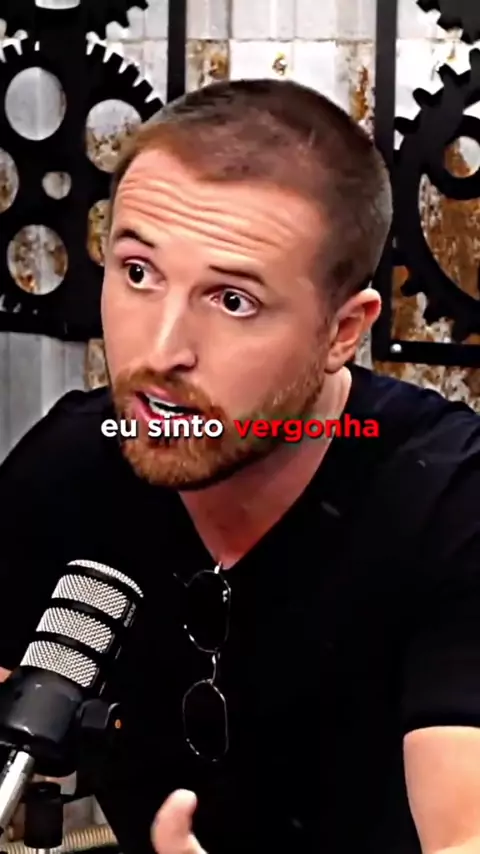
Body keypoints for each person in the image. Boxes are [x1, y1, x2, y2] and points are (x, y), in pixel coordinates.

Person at [0, 77, 479, 854]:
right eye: (138, 272)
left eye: (232, 301)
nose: (160, 352)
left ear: (343, 331)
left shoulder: (450, 502)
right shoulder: (70, 468)